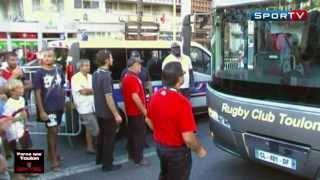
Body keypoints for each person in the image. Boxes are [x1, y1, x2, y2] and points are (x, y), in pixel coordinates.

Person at [147, 62, 207, 180]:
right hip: (177, 153)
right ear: (180, 78)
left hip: (161, 148)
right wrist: (200, 150)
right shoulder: (182, 102)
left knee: (165, 175)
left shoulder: (155, 95)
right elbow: (188, 138)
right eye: (183, 74)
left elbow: (148, 119)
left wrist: (161, 133)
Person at [34, 48, 65, 171]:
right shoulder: (39, 73)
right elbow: (37, 93)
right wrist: (41, 111)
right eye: (45, 56)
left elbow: (62, 87)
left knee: (54, 131)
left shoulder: (59, 70)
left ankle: (52, 153)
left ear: (54, 57)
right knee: (52, 132)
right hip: (48, 108)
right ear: (42, 57)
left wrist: (64, 103)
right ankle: (53, 160)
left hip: (58, 107)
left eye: (50, 56)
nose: (48, 58)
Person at [92, 49, 122, 171]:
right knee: (109, 139)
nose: (112, 59)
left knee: (102, 137)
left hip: (99, 111)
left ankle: (99, 159)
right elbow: (108, 97)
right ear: (106, 60)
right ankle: (107, 164)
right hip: (107, 113)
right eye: (111, 57)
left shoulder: (96, 73)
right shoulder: (106, 76)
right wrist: (116, 114)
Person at [121, 57, 149, 166]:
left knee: (133, 135)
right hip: (136, 112)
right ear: (133, 65)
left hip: (132, 112)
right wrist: (144, 110)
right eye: (138, 64)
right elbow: (134, 96)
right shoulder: (131, 78)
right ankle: (139, 158)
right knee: (139, 136)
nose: (140, 66)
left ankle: (132, 155)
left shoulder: (129, 77)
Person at [2, 79, 28, 180]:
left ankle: (29, 170)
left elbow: (24, 114)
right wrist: (18, 118)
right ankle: (18, 175)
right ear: (12, 91)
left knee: (28, 148)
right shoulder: (9, 104)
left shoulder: (22, 99)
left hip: (23, 129)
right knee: (18, 151)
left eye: (22, 87)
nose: (22, 89)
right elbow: (5, 120)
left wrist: (26, 123)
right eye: (19, 88)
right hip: (13, 132)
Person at [71, 59, 99, 154]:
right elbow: (83, 92)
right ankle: (98, 145)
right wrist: (91, 90)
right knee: (95, 129)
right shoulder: (75, 78)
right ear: (80, 67)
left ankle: (90, 147)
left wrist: (89, 90)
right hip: (84, 107)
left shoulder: (91, 77)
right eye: (86, 65)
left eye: (89, 65)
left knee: (88, 128)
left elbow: (92, 90)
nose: (88, 67)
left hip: (93, 105)